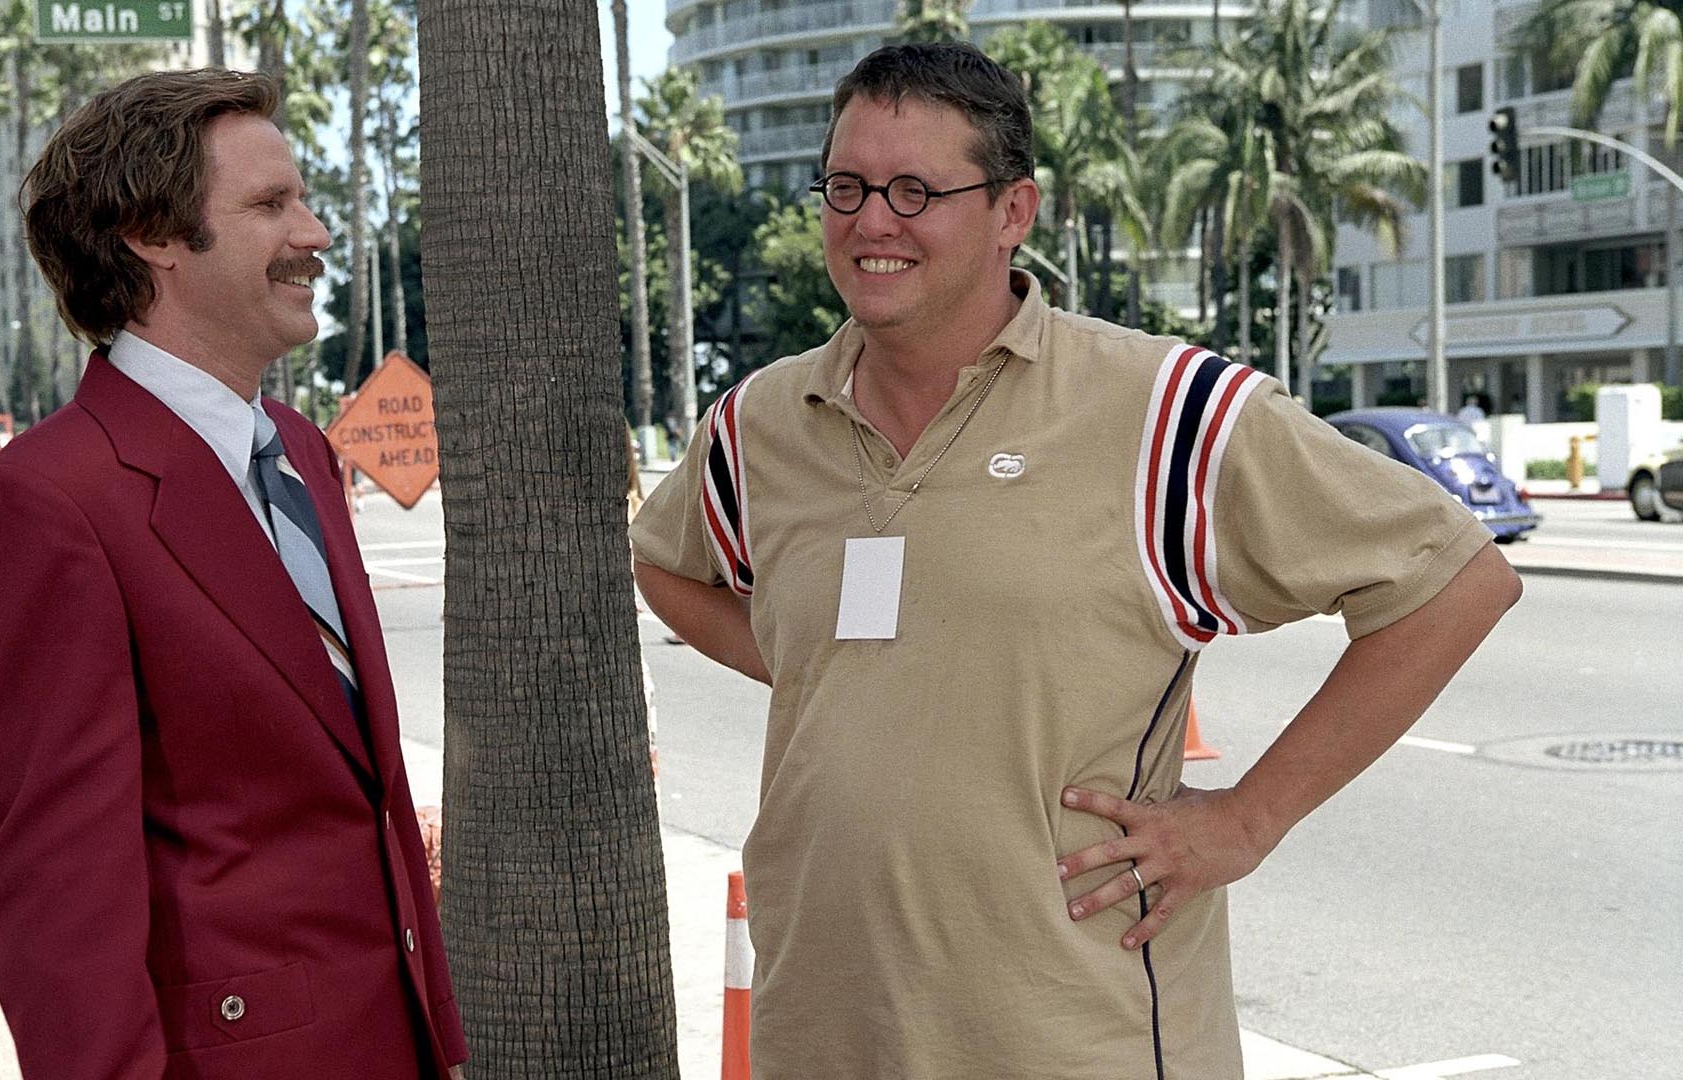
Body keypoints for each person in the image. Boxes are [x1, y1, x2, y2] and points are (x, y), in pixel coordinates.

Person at [629, 43, 1521, 1078]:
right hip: (822, 1028)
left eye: (917, 190)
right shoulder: (760, 426)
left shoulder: (1163, 414)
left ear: (1015, 212)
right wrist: (823, 662)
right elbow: (666, 562)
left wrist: (1247, 818)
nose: (872, 220)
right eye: (847, 185)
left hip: (1071, 1034)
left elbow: (1456, 579)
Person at [0, 70, 465, 1080]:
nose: (314, 233)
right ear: (154, 234)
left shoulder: (302, 452)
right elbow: (59, 914)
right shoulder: (46, 507)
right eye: (271, 205)